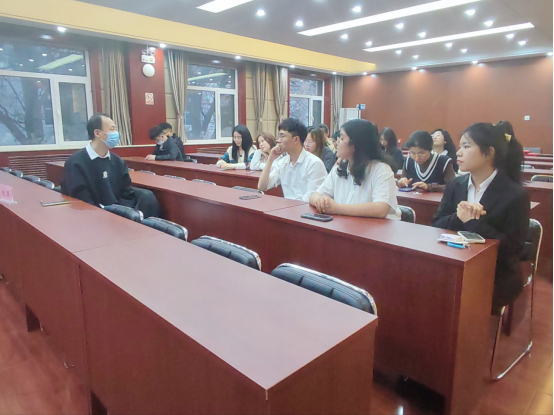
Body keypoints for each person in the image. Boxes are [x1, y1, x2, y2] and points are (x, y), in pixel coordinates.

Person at [433, 123, 528, 311]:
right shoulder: (455, 185)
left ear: (489, 152)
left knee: (458, 299)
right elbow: (436, 224)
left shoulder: (515, 194)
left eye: (466, 146)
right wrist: (459, 217)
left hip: (495, 274)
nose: (459, 152)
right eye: (460, 146)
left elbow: (513, 248)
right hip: (454, 263)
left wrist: (472, 222)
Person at [62, 114, 160, 217]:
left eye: (116, 129)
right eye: (112, 129)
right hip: (90, 218)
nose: (116, 133)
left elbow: (127, 194)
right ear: (97, 133)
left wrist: (121, 213)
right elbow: (80, 200)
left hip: (119, 217)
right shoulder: (75, 163)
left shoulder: (118, 162)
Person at [310, 119, 401, 220]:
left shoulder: (381, 170)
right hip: (346, 225)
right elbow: (314, 195)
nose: (337, 142)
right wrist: (320, 201)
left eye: (342, 138)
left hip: (376, 228)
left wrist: (337, 208)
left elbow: (381, 209)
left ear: (355, 145)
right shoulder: (339, 168)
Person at [258, 118, 327, 202]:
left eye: (282, 136)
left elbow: (310, 199)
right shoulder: (283, 162)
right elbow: (262, 186)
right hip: (288, 208)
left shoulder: (314, 163)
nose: (278, 141)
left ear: (296, 139)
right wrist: (270, 159)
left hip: (305, 209)